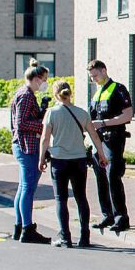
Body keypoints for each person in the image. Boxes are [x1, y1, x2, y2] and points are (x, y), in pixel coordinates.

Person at [38, 80, 108, 248]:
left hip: (59, 161)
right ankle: (85, 237)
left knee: (60, 200)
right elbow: (94, 135)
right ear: (70, 93)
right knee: (81, 198)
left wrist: (41, 159)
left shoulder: (51, 113)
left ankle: (65, 237)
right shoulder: (82, 113)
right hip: (79, 161)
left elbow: (45, 138)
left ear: (56, 94)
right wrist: (101, 155)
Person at [86, 60, 134, 233]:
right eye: (91, 77)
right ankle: (107, 215)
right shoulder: (97, 92)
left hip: (113, 139)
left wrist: (104, 123)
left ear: (104, 70)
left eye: (95, 76)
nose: (93, 80)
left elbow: (128, 115)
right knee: (100, 177)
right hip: (98, 141)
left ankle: (121, 217)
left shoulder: (118, 89)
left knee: (112, 175)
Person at [10, 59, 52, 244]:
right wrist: (43, 125)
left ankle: (19, 226)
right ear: (36, 79)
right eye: (43, 80)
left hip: (22, 145)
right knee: (28, 187)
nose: (44, 84)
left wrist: (40, 110)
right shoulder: (26, 96)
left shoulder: (23, 93)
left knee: (22, 187)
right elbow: (22, 123)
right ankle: (27, 229)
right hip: (27, 146)